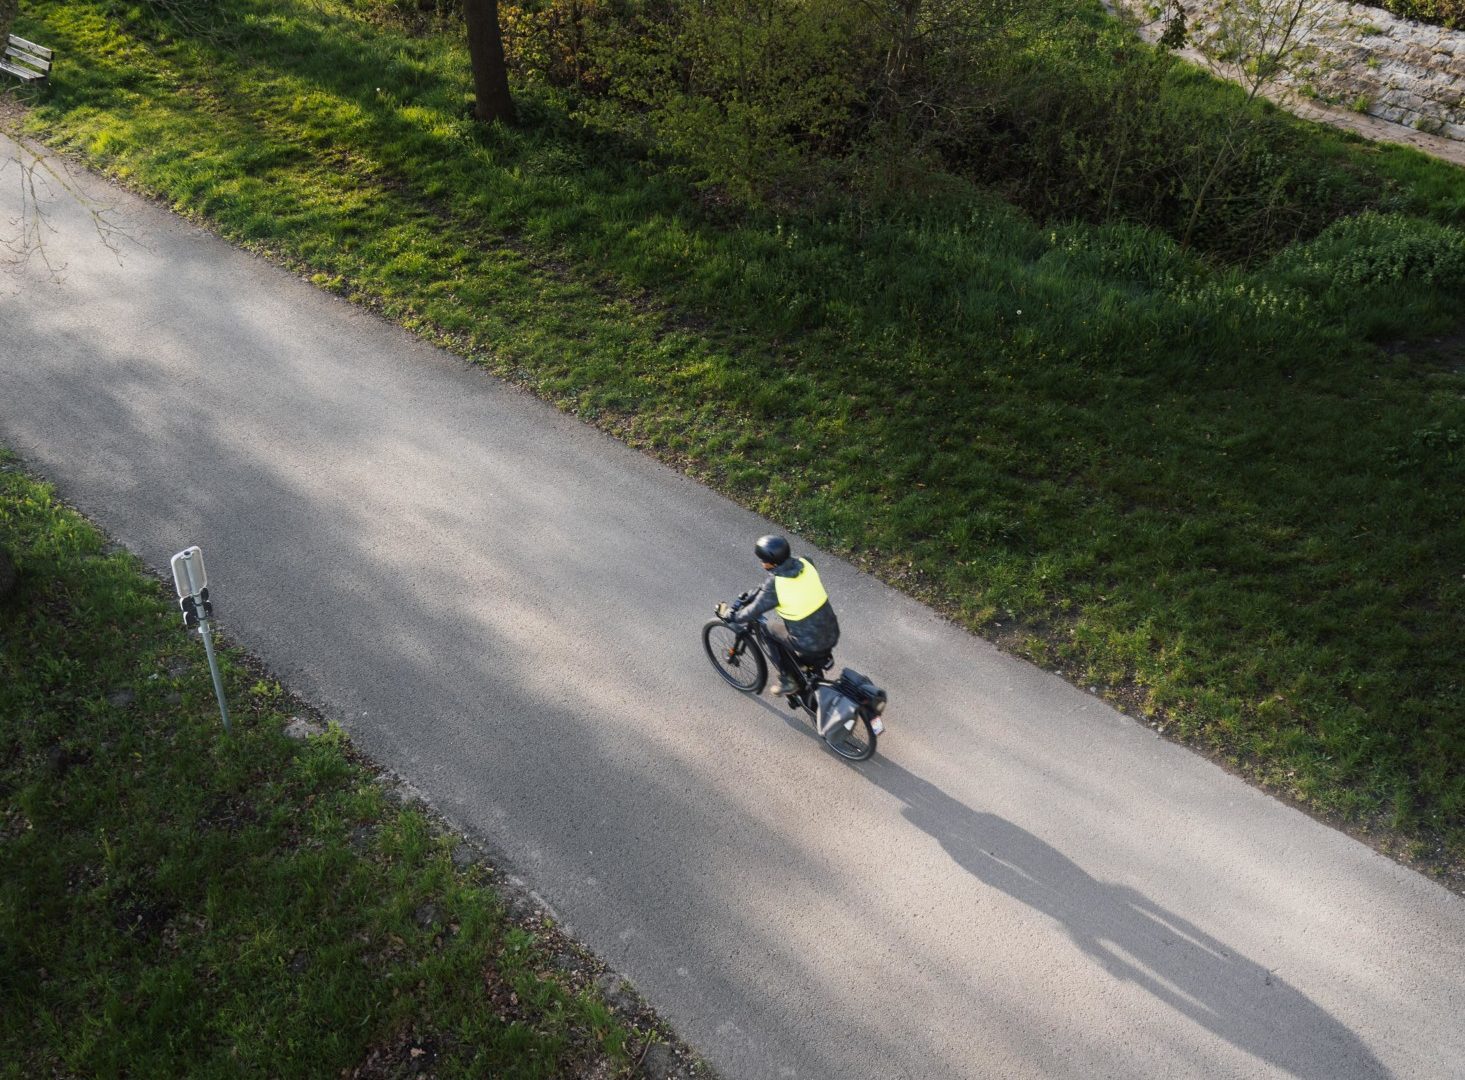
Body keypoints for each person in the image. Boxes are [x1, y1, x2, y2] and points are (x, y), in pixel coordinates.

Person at [733, 535, 840, 696]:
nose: (761, 563)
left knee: (767, 630)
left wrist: (732, 616)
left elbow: (753, 611)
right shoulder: (806, 562)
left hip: (809, 642)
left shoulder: (776, 585)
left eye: (763, 560)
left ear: (772, 562)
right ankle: (807, 671)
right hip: (831, 630)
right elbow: (780, 585)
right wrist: (757, 592)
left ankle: (787, 679)